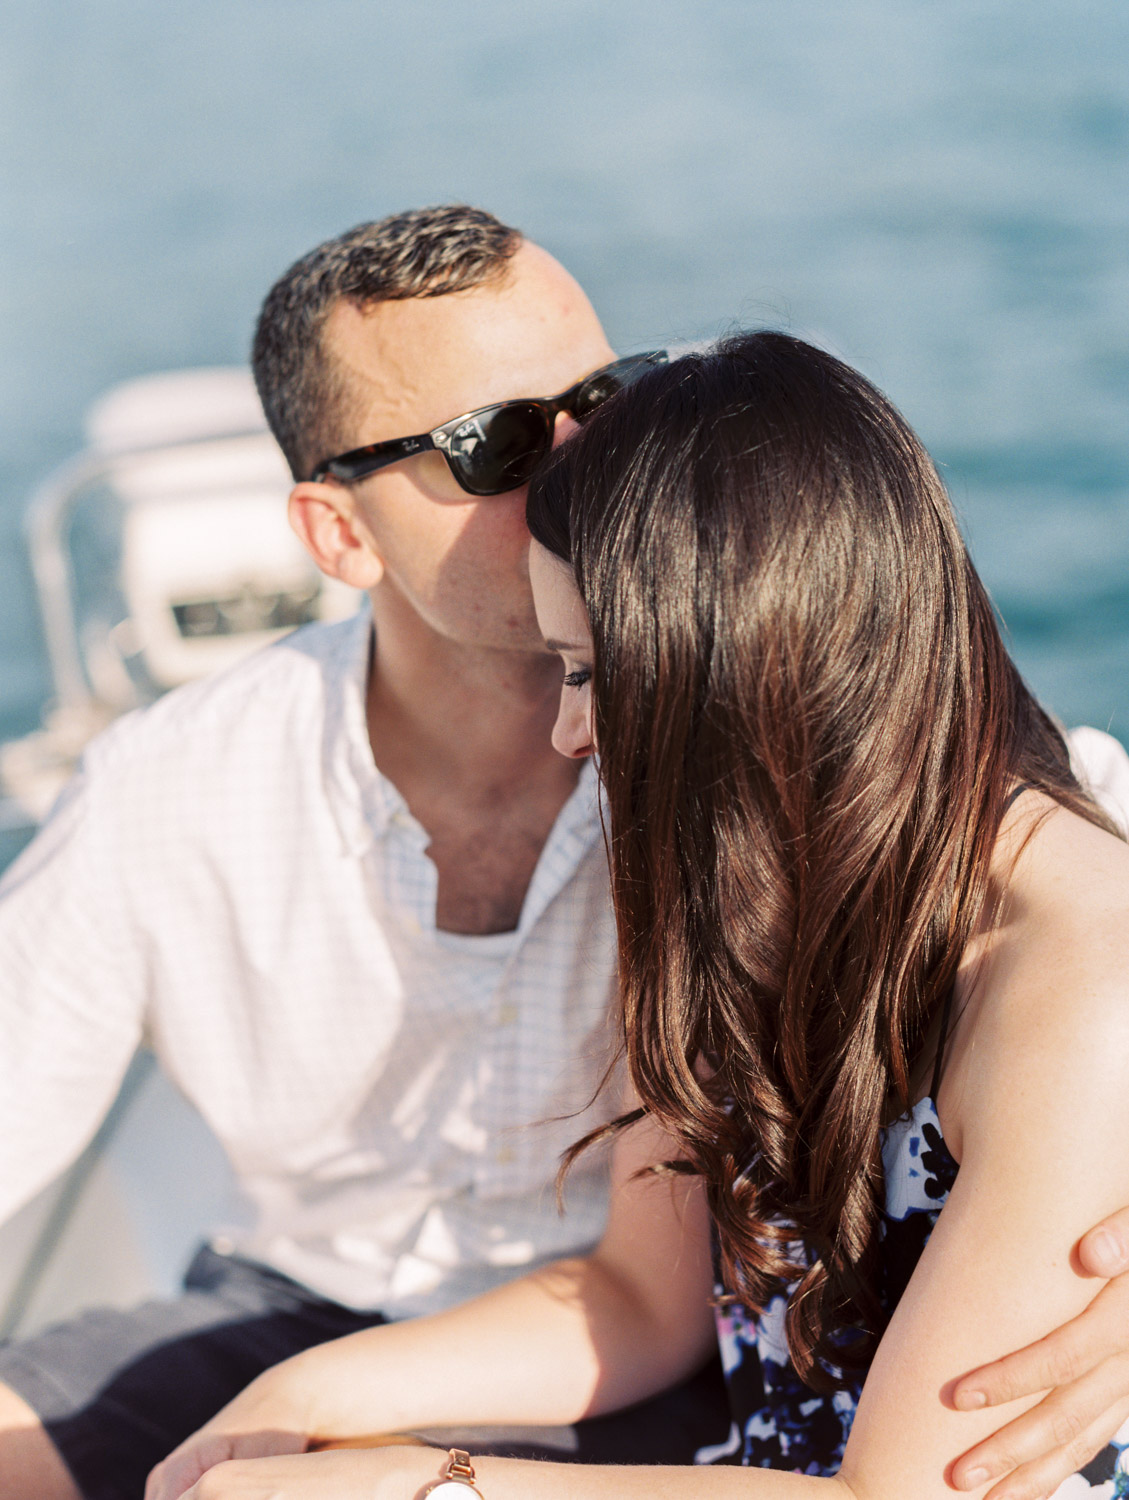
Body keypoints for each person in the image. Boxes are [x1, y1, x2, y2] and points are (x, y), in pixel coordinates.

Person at [0, 208, 1127, 1500]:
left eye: (603, 396)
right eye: (500, 442)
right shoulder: (193, 784)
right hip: (360, 1313)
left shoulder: (800, 808)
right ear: (339, 535)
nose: (593, 457)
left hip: (705, 1398)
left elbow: (1076, 911)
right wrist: (315, 1411)